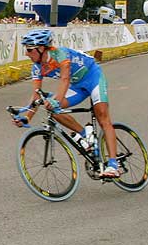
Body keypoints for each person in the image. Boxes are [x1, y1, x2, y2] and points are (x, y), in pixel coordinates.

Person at [13, 28, 121, 178]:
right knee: (48, 105)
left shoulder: (60, 54)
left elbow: (65, 79)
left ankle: (113, 165)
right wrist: (27, 117)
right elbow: (36, 94)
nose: (26, 53)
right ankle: (84, 136)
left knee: (103, 117)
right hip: (77, 86)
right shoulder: (37, 67)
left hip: (93, 78)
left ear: (41, 48)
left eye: (30, 50)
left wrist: (56, 101)